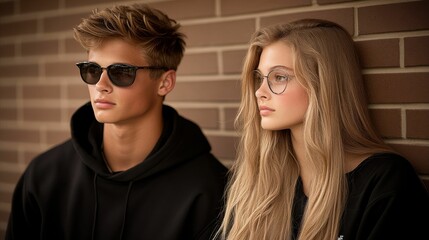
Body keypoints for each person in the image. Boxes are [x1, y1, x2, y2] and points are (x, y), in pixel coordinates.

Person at [6, 3, 228, 240]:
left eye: (121, 72)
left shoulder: (210, 190)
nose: (100, 85)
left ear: (165, 83)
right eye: (91, 70)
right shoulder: (44, 176)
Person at [217, 19, 429, 240]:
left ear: (323, 83)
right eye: (260, 78)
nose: (259, 92)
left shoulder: (384, 181)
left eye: (279, 77)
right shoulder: (263, 176)